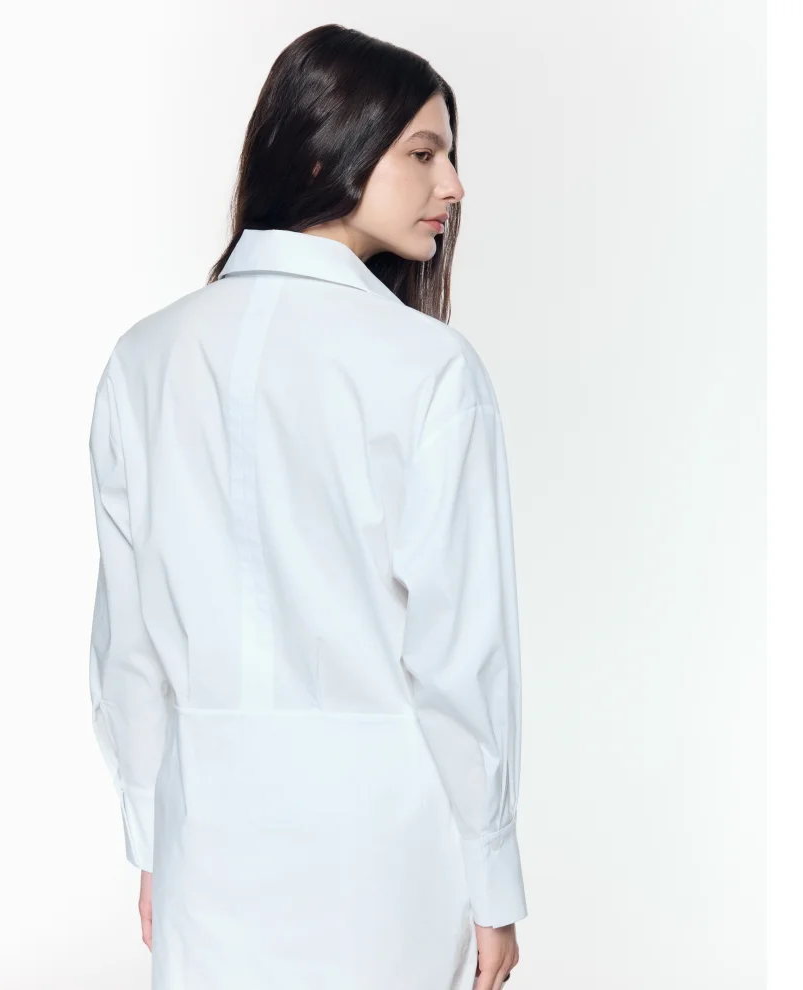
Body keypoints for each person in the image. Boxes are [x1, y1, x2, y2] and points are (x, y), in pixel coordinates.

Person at [87, 22, 527, 990]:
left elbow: (129, 648)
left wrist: (150, 835)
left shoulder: (143, 360)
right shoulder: (429, 369)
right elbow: (460, 655)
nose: (454, 184)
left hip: (207, 837)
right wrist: (493, 874)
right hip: (387, 852)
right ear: (328, 152)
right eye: (424, 153)